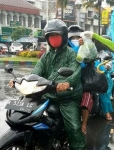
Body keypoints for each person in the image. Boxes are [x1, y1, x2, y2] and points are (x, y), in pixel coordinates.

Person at [9, 19, 87, 150]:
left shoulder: (72, 54)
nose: (54, 39)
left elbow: (75, 73)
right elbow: (35, 72)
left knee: (73, 127)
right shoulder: (46, 56)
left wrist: (66, 83)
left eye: (56, 36)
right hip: (47, 92)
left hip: (67, 96)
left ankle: (79, 147)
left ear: (62, 37)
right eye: (51, 36)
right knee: (26, 111)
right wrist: (20, 80)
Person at [68, 25, 93, 135]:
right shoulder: (64, 47)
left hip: (83, 80)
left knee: (86, 99)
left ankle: (84, 124)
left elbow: (91, 56)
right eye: (73, 37)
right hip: (67, 78)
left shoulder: (87, 45)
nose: (75, 39)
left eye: (78, 36)